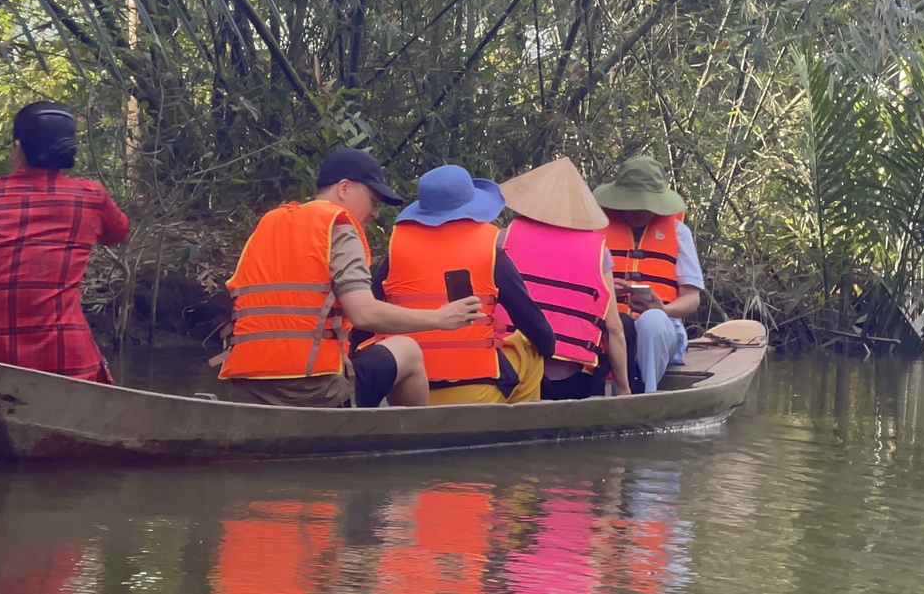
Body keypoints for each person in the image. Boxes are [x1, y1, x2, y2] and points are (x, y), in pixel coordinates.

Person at [217, 148, 483, 408]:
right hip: (313, 393)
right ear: (344, 188)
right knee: (408, 351)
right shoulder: (340, 227)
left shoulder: (268, 225)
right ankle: (410, 442)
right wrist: (439, 318)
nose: (376, 214)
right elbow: (364, 314)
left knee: (356, 356)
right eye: (373, 201)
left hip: (248, 390)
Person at [0, 103, 131, 382]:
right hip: (64, 364)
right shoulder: (90, 197)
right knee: (95, 372)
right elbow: (117, 233)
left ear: (18, 148)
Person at [373, 165, 555, 404]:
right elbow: (534, 326)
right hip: (475, 391)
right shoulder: (491, 250)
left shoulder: (395, 249)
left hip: (406, 391)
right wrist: (548, 348)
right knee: (529, 347)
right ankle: (517, 432)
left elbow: (366, 316)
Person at [495, 158, 629, 400]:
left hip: (510, 368)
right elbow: (614, 328)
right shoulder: (599, 252)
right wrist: (624, 389)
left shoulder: (502, 239)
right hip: (571, 379)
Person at [595, 156, 704, 393]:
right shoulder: (596, 229)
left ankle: (648, 394)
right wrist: (604, 287)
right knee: (617, 326)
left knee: (652, 321)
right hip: (609, 326)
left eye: (647, 204)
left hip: (662, 330)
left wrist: (663, 310)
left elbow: (692, 298)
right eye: (631, 202)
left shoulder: (678, 232)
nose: (639, 210)